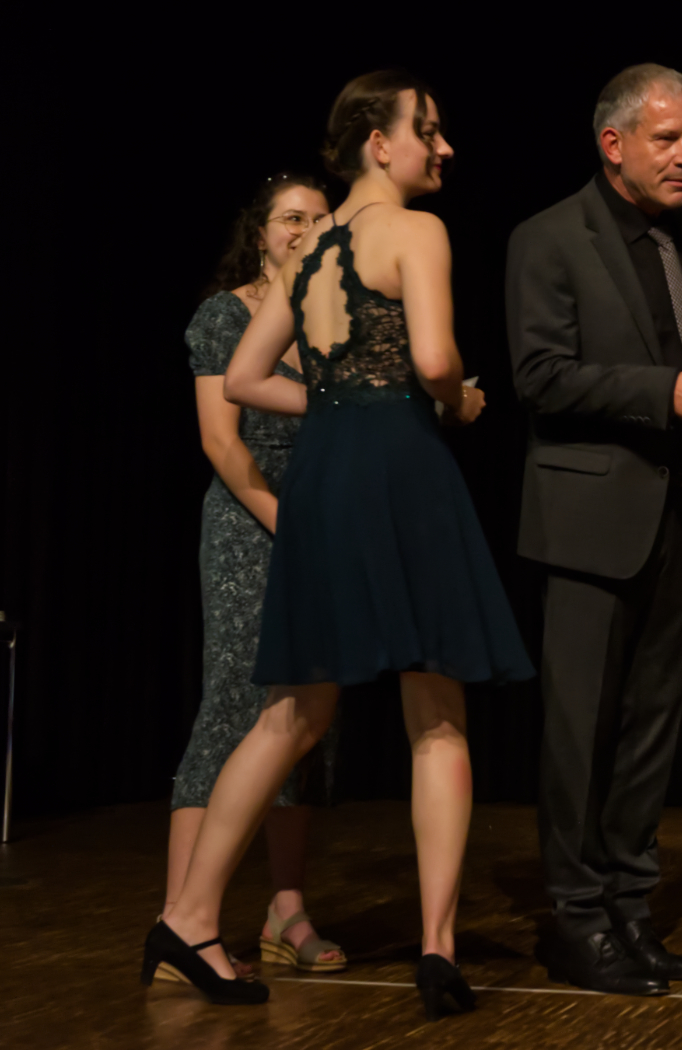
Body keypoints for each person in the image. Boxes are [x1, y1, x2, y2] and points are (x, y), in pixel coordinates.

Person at [142, 71, 533, 1021]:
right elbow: (433, 359)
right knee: (436, 711)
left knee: (291, 714)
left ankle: (186, 918)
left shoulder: (312, 252)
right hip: (401, 469)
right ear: (377, 141)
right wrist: (459, 399)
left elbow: (244, 378)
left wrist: (331, 403)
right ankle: (437, 949)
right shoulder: (417, 232)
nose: (444, 148)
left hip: (323, 477)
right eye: (428, 130)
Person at [505, 63, 682, 997]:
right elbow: (541, 376)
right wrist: (669, 392)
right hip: (593, 519)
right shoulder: (548, 237)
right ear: (613, 143)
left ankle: (630, 911)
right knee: (580, 732)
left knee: (650, 728)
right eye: (668, 139)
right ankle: (575, 920)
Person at [163, 173, 345, 988]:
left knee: (306, 719)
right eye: (290, 218)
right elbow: (220, 441)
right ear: (261, 231)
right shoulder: (225, 315)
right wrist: (285, 524)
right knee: (235, 710)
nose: (304, 229)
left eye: (319, 218)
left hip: (321, 529)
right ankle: (178, 919)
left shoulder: (330, 318)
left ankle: (285, 911)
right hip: (251, 526)